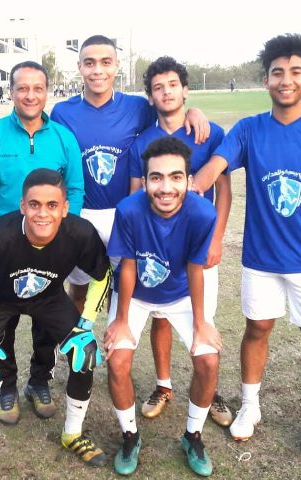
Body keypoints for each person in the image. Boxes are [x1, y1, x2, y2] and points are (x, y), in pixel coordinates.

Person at [193, 33, 301, 457]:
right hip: (261, 259)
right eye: (277, 73)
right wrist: (193, 186)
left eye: (295, 72)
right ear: (266, 80)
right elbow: (217, 163)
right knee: (257, 329)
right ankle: (250, 405)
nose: (286, 80)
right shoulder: (250, 130)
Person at [0, 168, 112, 478]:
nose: (43, 213)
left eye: (52, 205)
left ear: (65, 208)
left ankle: (72, 434)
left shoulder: (81, 233)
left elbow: (103, 276)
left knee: (83, 352)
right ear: (22, 206)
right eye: (34, 204)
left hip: (48, 298)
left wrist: (86, 324)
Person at [50, 34, 210, 315]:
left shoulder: (137, 107)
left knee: (120, 284)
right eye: (90, 63)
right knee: (79, 286)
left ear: (117, 66)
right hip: (81, 212)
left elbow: (169, 114)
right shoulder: (62, 112)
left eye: (105, 62)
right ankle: (77, 337)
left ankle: (116, 329)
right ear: (80, 67)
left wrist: (194, 112)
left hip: (121, 212)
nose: (98, 70)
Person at [0, 60, 84, 425]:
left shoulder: (64, 137)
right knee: (2, 320)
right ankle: (6, 384)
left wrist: (59, 235)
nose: (30, 95)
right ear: (11, 92)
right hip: (3, 251)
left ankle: (39, 379)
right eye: (22, 88)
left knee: (45, 318)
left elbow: (75, 190)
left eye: (37, 88)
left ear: (47, 91)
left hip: (48, 249)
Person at [106, 137, 222, 476]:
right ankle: (130, 436)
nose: (166, 187)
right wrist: (121, 320)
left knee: (208, 361)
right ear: (144, 182)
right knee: (117, 360)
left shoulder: (203, 213)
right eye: (156, 177)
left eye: (176, 177)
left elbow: (195, 268)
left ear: (189, 180)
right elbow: (128, 266)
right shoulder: (128, 209)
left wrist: (201, 322)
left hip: (181, 294)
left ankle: (192, 435)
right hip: (136, 295)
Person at [127, 56, 233, 429]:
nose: (167, 92)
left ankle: (209, 391)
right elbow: (135, 197)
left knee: (203, 319)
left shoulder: (208, 133)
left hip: (198, 247)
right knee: (160, 316)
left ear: (185, 90)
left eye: (173, 85)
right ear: (150, 97)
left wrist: (216, 238)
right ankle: (163, 384)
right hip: (157, 249)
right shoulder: (142, 142)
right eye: (158, 87)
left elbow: (224, 192)